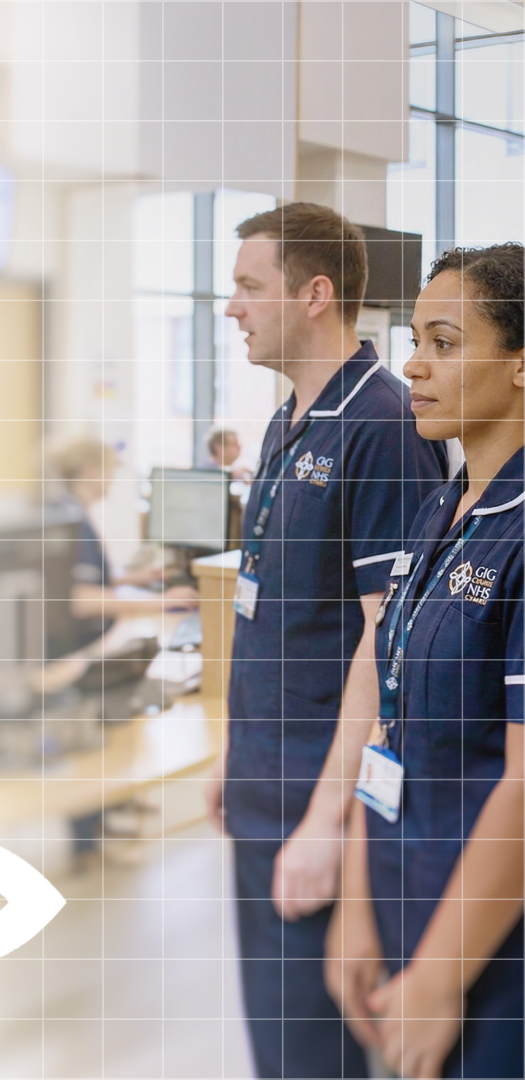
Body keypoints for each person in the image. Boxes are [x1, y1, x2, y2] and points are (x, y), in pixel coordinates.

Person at [204, 202, 447, 1078]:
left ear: (314, 293)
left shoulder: (381, 426)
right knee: (278, 1053)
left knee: (313, 1060)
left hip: (321, 811)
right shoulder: (287, 422)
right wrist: (235, 754)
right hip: (263, 792)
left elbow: (388, 647)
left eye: (247, 287)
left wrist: (324, 821)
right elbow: (281, 615)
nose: (230, 307)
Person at [327, 243, 525, 1079]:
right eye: (416, 340)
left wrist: (442, 973)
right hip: (406, 897)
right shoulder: (443, 505)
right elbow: (391, 716)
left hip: (490, 948)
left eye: (445, 343)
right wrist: (359, 905)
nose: (413, 364)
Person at [54, 438, 197, 652]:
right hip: (80, 645)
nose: (112, 478)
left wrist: (135, 578)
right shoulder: (71, 522)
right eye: (108, 469)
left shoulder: (71, 511)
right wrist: (162, 601)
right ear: (88, 471)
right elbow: (79, 596)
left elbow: (81, 578)